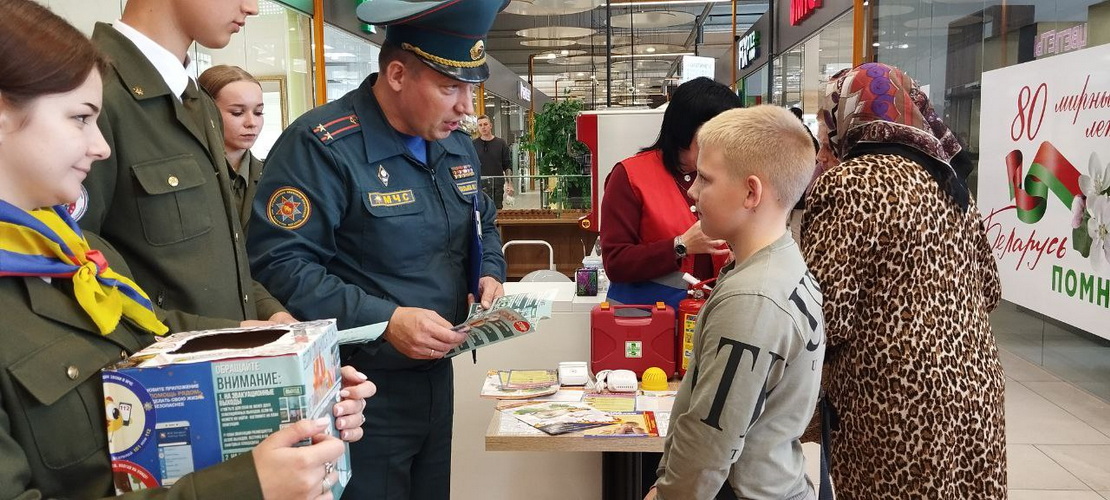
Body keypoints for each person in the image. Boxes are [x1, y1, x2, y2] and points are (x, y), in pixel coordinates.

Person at [0, 1, 374, 497]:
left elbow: (146, 343)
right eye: (81, 118)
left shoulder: (68, 252)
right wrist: (245, 486)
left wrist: (295, 370)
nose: (100, 146)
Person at [246, 1, 509, 497]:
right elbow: (280, 264)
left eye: (471, 89)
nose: (466, 107)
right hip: (357, 390)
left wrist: (489, 269)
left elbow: (484, 220)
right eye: (450, 87)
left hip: (437, 377)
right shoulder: (322, 146)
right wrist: (386, 320)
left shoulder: (455, 145)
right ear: (397, 75)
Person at [801, 62, 1005, 499]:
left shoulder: (849, 183)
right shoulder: (950, 181)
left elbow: (826, 315)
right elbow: (990, 290)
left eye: (824, 127)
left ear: (849, 116)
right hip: (975, 386)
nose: (822, 145)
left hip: (894, 399)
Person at [78, 0, 294, 327]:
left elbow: (214, 261)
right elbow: (76, 277)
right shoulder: (94, 95)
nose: (252, 8)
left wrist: (268, 311)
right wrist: (222, 332)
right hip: (160, 358)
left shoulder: (197, 100)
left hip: (225, 352)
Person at [647, 106, 824, 500]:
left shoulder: (753, 299)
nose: (692, 191)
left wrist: (666, 494)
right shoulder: (783, 263)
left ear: (751, 192)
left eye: (705, 179)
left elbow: (710, 442)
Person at [600, 77, 740, 310]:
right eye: (715, 134)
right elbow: (615, 262)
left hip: (712, 314)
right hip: (648, 319)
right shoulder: (630, 176)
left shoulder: (724, 176)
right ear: (685, 128)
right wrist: (680, 246)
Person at [199, 64, 265, 230]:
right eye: (237, 112)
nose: (252, 123)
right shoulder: (188, 175)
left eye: (258, 112)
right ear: (206, 111)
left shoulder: (272, 175)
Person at [473, 114, 512, 208]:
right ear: (478, 128)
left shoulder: (501, 143)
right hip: (480, 185)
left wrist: (510, 183)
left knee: (497, 210)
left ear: (490, 125)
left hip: (497, 185)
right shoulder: (473, 144)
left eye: (485, 124)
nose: (483, 127)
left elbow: (507, 166)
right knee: (481, 210)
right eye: (480, 125)